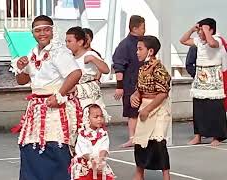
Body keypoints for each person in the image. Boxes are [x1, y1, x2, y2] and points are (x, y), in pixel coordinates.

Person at [10, 15, 82, 180]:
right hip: (37, 108)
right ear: (33, 33)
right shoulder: (32, 53)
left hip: (57, 107)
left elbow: (76, 73)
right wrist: (21, 68)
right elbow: (22, 81)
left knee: (56, 148)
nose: (42, 33)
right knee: (31, 148)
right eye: (38, 30)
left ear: (52, 30)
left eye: (46, 29)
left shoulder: (59, 51)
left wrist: (60, 94)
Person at [180, 18, 227, 146]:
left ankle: (217, 137)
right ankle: (198, 135)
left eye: (203, 29)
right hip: (200, 78)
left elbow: (212, 44)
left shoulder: (217, 40)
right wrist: (192, 29)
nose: (200, 32)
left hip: (214, 79)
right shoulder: (198, 41)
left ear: (211, 29)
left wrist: (206, 31)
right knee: (199, 108)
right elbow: (183, 40)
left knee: (215, 109)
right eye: (199, 29)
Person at [131, 35, 171, 180]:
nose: (137, 52)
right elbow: (139, 89)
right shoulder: (142, 68)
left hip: (158, 108)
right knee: (141, 142)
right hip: (145, 105)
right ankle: (139, 173)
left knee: (158, 143)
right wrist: (135, 96)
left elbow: (163, 93)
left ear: (151, 51)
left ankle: (166, 176)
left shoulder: (159, 69)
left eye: (140, 49)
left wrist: (147, 109)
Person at [112, 15, 146, 148]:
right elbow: (119, 66)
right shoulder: (125, 45)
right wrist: (119, 86)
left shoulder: (143, 43)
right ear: (135, 28)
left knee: (143, 109)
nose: (144, 30)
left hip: (143, 83)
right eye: (143, 27)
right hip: (130, 83)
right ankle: (132, 137)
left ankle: (142, 135)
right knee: (132, 112)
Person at [65, 26, 110, 122]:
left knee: (90, 121)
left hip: (88, 95)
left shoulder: (90, 55)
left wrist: (93, 59)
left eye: (69, 41)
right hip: (73, 96)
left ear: (80, 42)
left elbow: (106, 70)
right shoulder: (69, 57)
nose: (67, 45)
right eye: (66, 42)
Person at [70, 104, 115, 180]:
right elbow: (84, 152)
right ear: (87, 118)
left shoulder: (103, 134)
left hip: (99, 163)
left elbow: (104, 148)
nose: (99, 119)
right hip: (85, 165)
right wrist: (92, 160)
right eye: (96, 117)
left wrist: (100, 160)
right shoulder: (82, 135)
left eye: (101, 116)